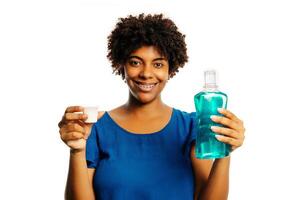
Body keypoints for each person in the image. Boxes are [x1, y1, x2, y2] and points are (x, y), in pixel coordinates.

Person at [58, 13, 245, 200]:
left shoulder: (190, 127)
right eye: (135, 62)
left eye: (158, 64)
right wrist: (77, 151)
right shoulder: (95, 129)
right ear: (121, 64)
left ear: (170, 69)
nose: (146, 73)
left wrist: (224, 152)